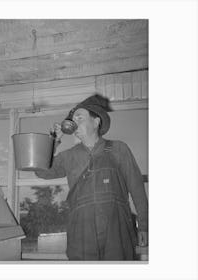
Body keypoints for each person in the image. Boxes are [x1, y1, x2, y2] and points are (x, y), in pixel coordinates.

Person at [35, 94, 148, 261]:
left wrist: (144, 225)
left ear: (96, 122)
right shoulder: (69, 156)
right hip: (81, 232)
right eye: (73, 120)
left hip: (117, 230)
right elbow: (42, 172)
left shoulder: (119, 149)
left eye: (79, 117)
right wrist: (53, 141)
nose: (74, 123)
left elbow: (137, 188)